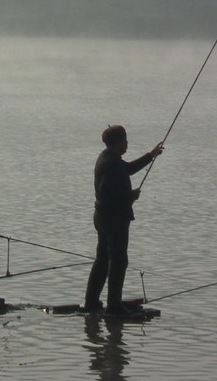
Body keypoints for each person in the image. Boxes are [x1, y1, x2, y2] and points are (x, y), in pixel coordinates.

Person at [83, 125, 164, 315]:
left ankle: (92, 301)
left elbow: (127, 169)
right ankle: (114, 305)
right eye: (125, 141)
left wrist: (151, 155)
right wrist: (130, 196)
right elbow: (108, 194)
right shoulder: (110, 163)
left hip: (103, 217)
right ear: (118, 142)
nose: (127, 144)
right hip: (113, 220)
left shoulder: (109, 158)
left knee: (103, 259)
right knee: (119, 261)